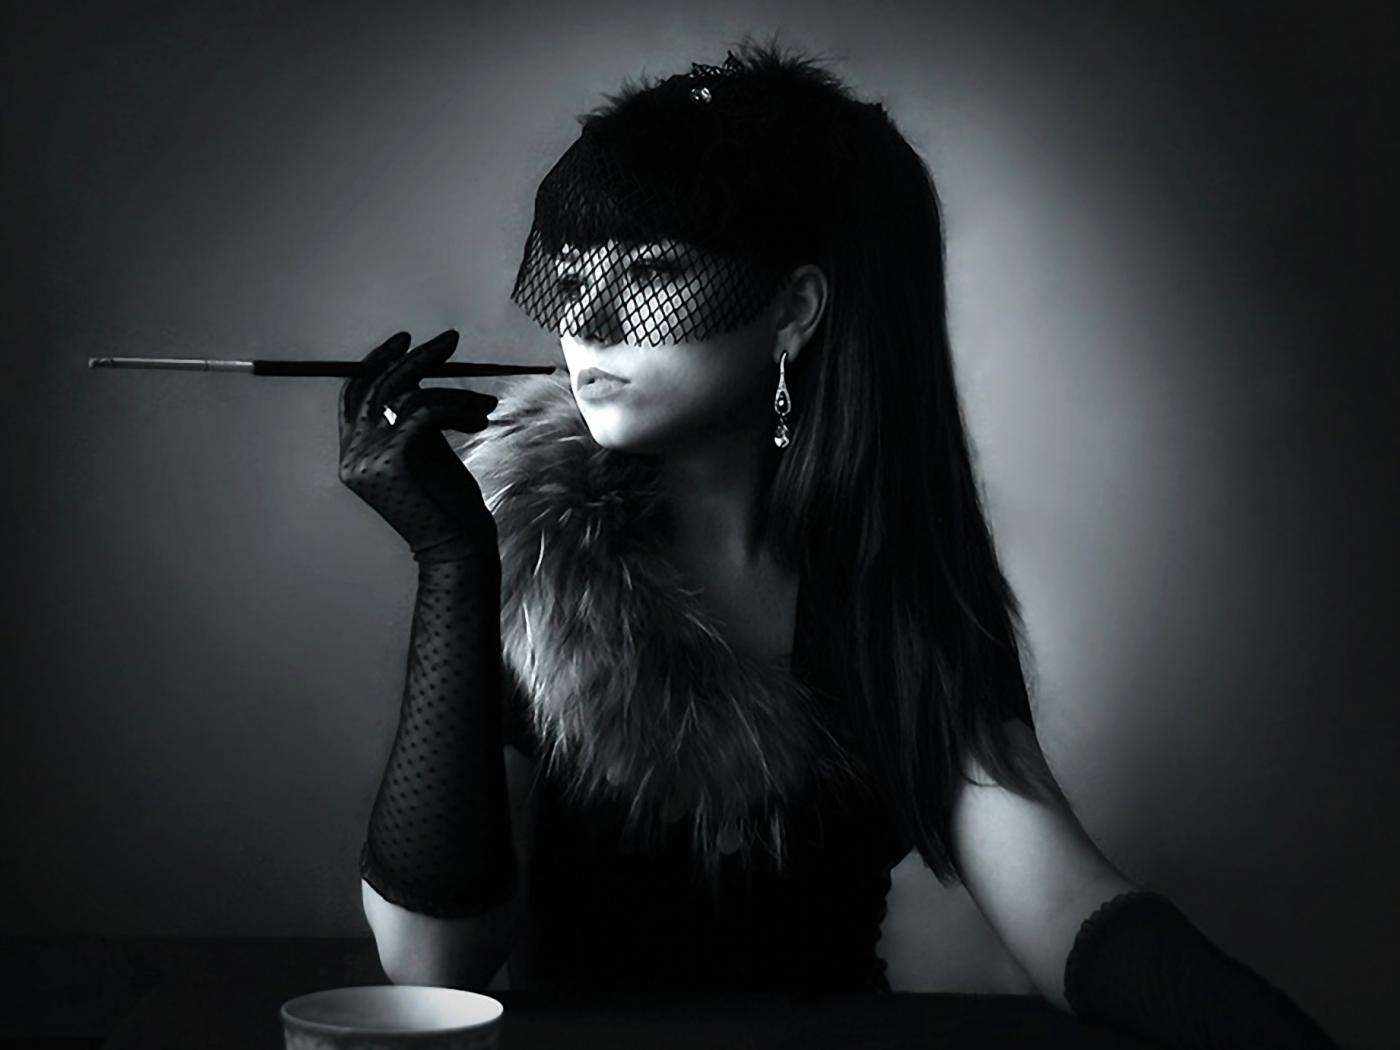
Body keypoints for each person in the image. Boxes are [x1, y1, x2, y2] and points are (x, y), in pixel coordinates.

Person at [339, 39, 1339, 1047]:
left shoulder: (890, 586)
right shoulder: (534, 547)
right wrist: (453, 566)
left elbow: (1061, 903)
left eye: (651, 275)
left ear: (794, 309)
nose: (585, 325)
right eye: (569, 274)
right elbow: (430, 965)